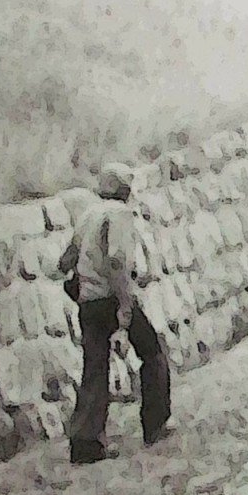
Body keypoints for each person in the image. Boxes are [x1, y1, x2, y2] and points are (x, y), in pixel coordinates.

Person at [61, 163, 172, 463]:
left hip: (88, 301)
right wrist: (126, 305)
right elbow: (117, 262)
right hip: (112, 296)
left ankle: (85, 443)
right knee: (152, 352)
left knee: (94, 369)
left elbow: (65, 258)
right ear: (125, 190)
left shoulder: (88, 214)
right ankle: (155, 423)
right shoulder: (120, 215)